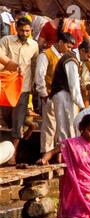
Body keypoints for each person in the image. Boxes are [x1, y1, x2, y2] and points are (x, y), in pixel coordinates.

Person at [37, 115, 90, 218]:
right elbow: (52, 152)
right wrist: (43, 160)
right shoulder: (70, 143)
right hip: (76, 190)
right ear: (82, 128)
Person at [0, 17, 39, 165]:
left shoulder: (34, 45)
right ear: (16, 29)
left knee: (16, 122)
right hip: (7, 87)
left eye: (27, 31)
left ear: (31, 31)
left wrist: (35, 85)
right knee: (7, 118)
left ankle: (13, 154)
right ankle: (29, 124)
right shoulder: (6, 41)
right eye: (22, 30)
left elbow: (34, 65)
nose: (24, 33)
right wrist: (12, 66)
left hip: (24, 87)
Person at [35, 32, 75, 156]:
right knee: (49, 126)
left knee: (61, 127)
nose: (69, 50)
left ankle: (59, 156)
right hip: (50, 95)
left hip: (63, 96)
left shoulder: (66, 56)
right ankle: (45, 155)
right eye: (68, 46)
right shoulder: (46, 55)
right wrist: (44, 94)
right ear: (61, 42)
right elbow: (39, 76)